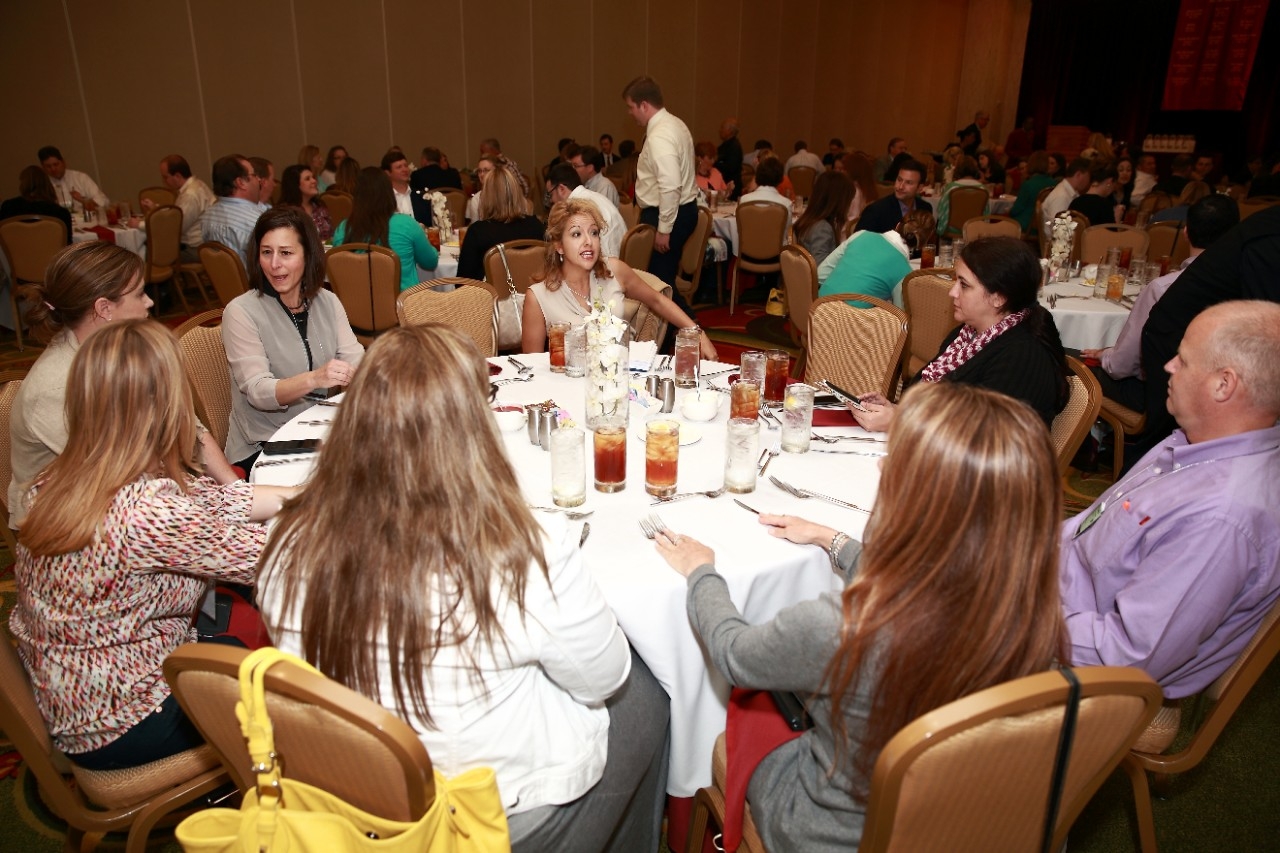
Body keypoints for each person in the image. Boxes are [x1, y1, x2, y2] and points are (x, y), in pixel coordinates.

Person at [259, 323, 670, 852]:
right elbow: (604, 678)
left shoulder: (287, 536)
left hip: (354, 795)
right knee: (648, 692)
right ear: (473, 427)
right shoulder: (521, 550)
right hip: (495, 817)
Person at [654, 380, 1065, 851]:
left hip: (830, 831)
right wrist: (833, 541)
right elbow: (934, 574)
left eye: (898, 459)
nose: (881, 463)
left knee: (743, 707)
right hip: (965, 823)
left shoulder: (842, 625)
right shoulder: (1033, 615)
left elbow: (733, 654)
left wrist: (701, 572)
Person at [10, 319, 293, 770]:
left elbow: (214, 501)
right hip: (127, 717)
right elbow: (283, 563)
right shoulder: (146, 513)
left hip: (78, 688)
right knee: (301, 696)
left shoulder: (70, 474)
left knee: (237, 627)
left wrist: (306, 496)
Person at [1062, 300, 1280, 699]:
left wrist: (1016, 614)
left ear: (1223, 384)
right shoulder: (1196, 441)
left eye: (1183, 359)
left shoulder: (1221, 518)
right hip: (1063, 595)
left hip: (1083, 669)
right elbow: (1094, 524)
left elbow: (1126, 655)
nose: (1168, 367)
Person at [7, 241, 238, 528]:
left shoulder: (122, 351)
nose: (150, 302)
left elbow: (187, 426)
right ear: (104, 308)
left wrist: (234, 490)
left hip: (135, 493)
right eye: (140, 294)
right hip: (72, 528)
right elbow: (123, 480)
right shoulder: (57, 390)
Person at [851, 237, 1069, 429]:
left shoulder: (1022, 357)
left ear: (999, 297)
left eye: (964, 285)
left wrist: (901, 421)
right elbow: (933, 403)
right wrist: (894, 409)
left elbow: (985, 439)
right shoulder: (965, 336)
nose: (952, 292)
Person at [222, 206, 364, 469]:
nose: (274, 264)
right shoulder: (241, 312)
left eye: (285, 253)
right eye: (266, 252)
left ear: (308, 255)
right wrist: (315, 379)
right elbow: (257, 391)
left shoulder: (327, 301)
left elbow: (355, 356)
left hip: (320, 430)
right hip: (265, 444)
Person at [1139, 204, 1280, 452]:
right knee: (1166, 442)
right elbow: (1268, 329)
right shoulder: (1269, 239)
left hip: (1218, 347)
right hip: (1181, 341)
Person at [1081, 195, 1238, 413]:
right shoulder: (1246, 288)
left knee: (1066, 362)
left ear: (1185, 232)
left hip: (1155, 398)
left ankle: (1084, 443)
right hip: (1218, 401)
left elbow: (1120, 367)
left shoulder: (1164, 288)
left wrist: (1105, 355)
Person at [522, 198, 717, 358]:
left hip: (626, 379)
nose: (588, 242)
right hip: (571, 389)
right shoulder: (539, 297)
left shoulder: (614, 270)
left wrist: (698, 333)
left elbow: (657, 300)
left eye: (594, 232)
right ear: (559, 246)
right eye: (576, 234)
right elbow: (533, 369)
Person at [623, 76, 700, 291]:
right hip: (679, 211)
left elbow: (670, 185)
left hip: (667, 215)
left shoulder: (660, 136)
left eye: (631, 107)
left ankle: (689, 323)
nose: (630, 113)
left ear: (644, 105)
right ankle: (686, 322)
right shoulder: (676, 124)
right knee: (662, 280)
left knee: (658, 285)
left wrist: (664, 229)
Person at [330, 167, 438, 292]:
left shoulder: (343, 229)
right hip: (402, 307)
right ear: (389, 193)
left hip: (354, 309)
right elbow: (430, 262)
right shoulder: (406, 224)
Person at [816, 211, 926, 310]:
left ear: (897, 225)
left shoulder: (860, 235)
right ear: (920, 245)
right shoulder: (905, 272)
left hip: (816, 314)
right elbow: (900, 315)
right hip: (850, 328)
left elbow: (820, 275)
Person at [456, 163, 546, 282]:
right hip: (533, 297)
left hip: (493, 299)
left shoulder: (478, 232)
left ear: (486, 197)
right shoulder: (536, 226)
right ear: (517, 193)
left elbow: (463, 283)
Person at [139, 155, 216, 262]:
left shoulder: (189, 195)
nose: (163, 181)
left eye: (165, 177)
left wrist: (139, 225)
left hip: (194, 250)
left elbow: (173, 228)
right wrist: (155, 208)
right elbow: (175, 214)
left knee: (143, 253)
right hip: (205, 245)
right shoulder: (197, 184)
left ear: (177, 176)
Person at [200, 154, 267, 268]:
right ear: (240, 182)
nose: (259, 179)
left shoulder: (206, 216)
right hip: (257, 283)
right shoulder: (257, 221)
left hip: (225, 284)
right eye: (254, 175)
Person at [545, 163, 625, 259]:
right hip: (621, 261)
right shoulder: (594, 197)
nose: (551, 200)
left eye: (550, 194)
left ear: (561, 189)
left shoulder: (576, 210)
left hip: (605, 266)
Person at [795, 170, 855, 267]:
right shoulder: (822, 228)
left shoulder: (810, 220)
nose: (849, 205)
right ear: (838, 200)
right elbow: (821, 269)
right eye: (848, 200)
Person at [854, 159, 930, 234]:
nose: (900, 186)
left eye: (908, 183)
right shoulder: (876, 211)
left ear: (920, 188)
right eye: (899, 180)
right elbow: (858, 242)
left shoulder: (925, 208)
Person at [0, 166, 72, 240]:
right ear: (47, 183)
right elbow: (68, 244)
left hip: (16, 250)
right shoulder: (60, 213)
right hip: (51, 250)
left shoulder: (8, 207)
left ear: (22, 184)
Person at [38, 145, 107, 216]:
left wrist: (82, 200)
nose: (53, 169)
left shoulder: (80, 177)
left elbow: (102, 201)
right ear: (43, 168)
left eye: (56, 164)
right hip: (60, 223)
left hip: (86, 222)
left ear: (63, 163)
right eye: (48, 166)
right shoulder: (42, 185)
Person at [934, 156, 988, 236]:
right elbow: (986, 215)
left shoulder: (952, 188)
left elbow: (941, 210)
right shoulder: (983, 189)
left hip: (951, 230)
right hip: (974, 231)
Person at [279, 164, 333, 242]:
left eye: (313, 177)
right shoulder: (286, 212)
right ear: (295, 185)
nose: (314, 181)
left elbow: (330, 235)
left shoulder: (319, 207)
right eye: (307, 179)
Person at [1041, 157, 1092, 236]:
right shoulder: (1062, 196)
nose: (1089, 181)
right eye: (1088, 177)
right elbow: (1057, 229)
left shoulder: (1068, 192)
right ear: (1079, 175)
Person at [1008, 151, 1057, 232]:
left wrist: (1008, 211)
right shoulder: (1053, 184)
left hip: (1025, 224)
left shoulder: (1028, 184)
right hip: (1044, 225)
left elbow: (1016, 210)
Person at [1068, 162, 1121, 226]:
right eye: (1115, 184)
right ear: (1110, 181)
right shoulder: (1104, 205)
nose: (1114, 189)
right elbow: (1111, 235)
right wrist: (1117, 219)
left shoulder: (1075, 202)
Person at [840, 153, 878, 222]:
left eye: (844, 169)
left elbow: (852, 220)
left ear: (853, 171)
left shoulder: (855, 192)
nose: (841, 172)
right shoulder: (864, 188)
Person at [714, 118, 744, 200]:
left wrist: (715, 163)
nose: (720, 130)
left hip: (731, 187)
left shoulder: (734, 147)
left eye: (722, 128)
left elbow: (731, 167)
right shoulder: (726, 145)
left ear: (730, 131)